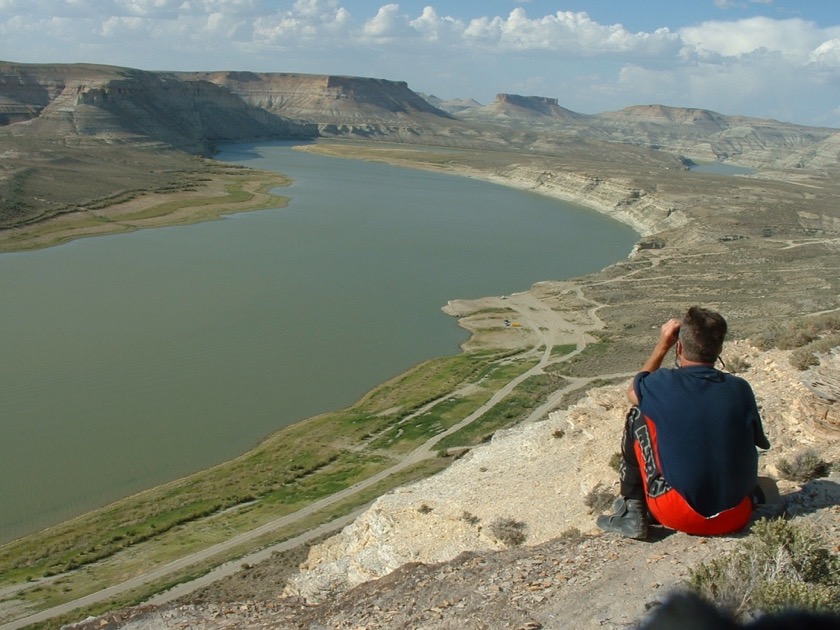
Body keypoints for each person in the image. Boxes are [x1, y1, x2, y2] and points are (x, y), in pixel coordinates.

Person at [597, 306, 770, 539]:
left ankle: (631, 510)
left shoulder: (661, 384)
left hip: (679, 513)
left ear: (679, 347)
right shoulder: (740, 388)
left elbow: (632, 392)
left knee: (637, 416)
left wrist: (662, 346)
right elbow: (757, 442)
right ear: (719, 349)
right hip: (738, 512)